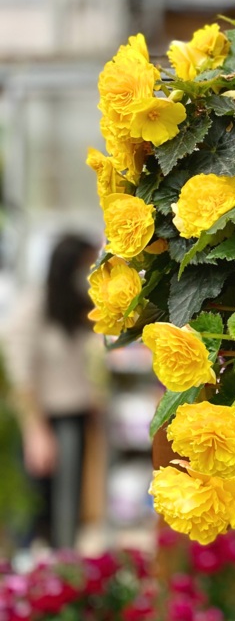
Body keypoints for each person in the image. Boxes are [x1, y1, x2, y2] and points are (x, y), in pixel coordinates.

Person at [3, 234, 101, 550]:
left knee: (67, 510)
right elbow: (19, 375)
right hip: (47, 420)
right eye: (86, 265)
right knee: (37, 512)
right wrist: (36, 431)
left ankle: (63, 566)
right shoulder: (34, 306)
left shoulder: (74, 305)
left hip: (76, 414)